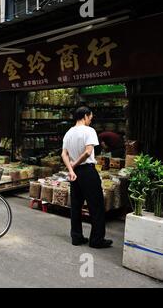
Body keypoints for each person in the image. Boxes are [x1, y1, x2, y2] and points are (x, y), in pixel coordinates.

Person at [61, 106, 112, 249]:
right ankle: (96, 240)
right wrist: (75, 165)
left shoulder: (69, 132)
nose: (91, 119)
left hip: (75, 173)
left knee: (76, 206)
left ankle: (76, 237)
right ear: (85, 116)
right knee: (96, 206)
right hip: (87, 172)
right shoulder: (89, 131)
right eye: (90, 117)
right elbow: (88, 152)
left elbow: (63, 154)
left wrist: (71, 169)